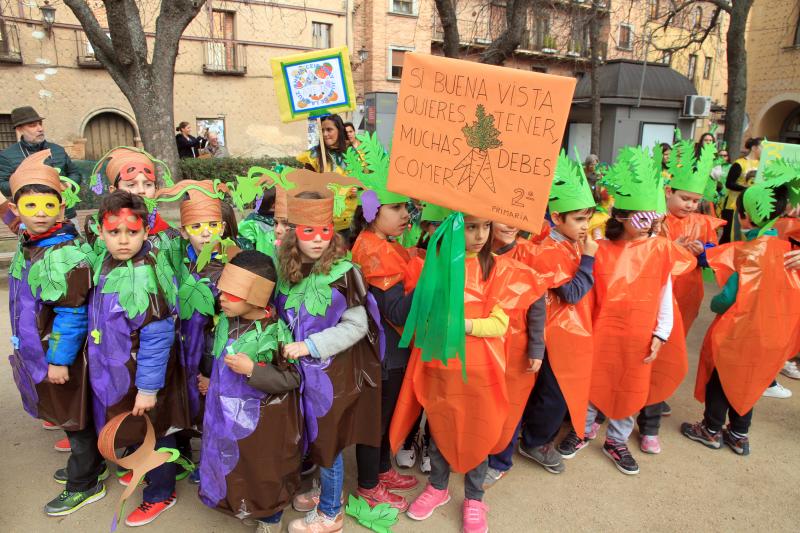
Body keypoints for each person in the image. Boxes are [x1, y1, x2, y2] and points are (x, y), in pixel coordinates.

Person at [390, 212, 546, 533]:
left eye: (485, 227)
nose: (480, 235)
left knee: (479, 430)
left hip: (482, 371)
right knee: (442, 428)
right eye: (471, 227)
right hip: (442, 369)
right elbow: (422, 317)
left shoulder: (496, 269)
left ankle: (475, 498)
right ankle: (438, 487)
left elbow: (500, 323)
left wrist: (463, 326)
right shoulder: (435, 268)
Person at [275, 188, 383, 533]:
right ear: (294, 233)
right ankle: (324, 491)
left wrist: (310, 345)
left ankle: (331, 512)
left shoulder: (344, 272)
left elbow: (357, 325)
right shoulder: (288, 269)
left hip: (331, 375)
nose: (319, 240)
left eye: (325, 231)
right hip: (299, 373)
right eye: (309, 231)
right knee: (314, 436)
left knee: (329, 441)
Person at [582, 145, 695, 475]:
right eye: (643, 217)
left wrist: (661, 331)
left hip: (639, 335)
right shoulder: (600, 246)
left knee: (632, 383)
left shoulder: (660, 249)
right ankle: (585, 426)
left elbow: (664, 292)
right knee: (596, 376)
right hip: (603, 331)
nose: (650, 224)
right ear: (622, 216)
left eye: (654, 218)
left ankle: (617, 439)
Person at [6, 151, 105, 516]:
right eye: (30, 205)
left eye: (49, 204)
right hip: (37, 348)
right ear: (18, 211)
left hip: (61, 354)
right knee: (62, 411)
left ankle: (85, 483)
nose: (40, 212)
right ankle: (90, 465)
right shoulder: (29, 238)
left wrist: (60, 359)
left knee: (73, 417)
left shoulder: (63, 252)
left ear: (62, 209)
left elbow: (71, 313)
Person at [488, 151, 596, 484]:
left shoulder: (563, 242)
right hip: (551, 336)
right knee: (548, 393)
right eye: (579, 219)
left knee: (544, 393)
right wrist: (590, 260)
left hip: (561, 335)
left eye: (588, 218)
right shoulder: (551, 251)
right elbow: (572, 292)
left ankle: (522, 444)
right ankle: (529, 444)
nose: (586, 226)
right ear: (559, 217)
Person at [86, 191, 190, 526]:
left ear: (146, 231)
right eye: (114, 232)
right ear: (101, 233)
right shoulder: (105, 261)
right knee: (131, 425)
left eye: (132, 232)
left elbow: (156, 339)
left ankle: (161, 492)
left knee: (154, 429)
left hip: (143, 375)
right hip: (116, 370)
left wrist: (147, 387)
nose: (123, 240)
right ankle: (145, 471)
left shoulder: (147, 273)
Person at [681, 174, 800, 456]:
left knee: (721, 381)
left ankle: (710, 430)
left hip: (738, 335)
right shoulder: (788, 251)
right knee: (749, 382)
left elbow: (726, 298)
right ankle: (739, 434)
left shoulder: (748, 252)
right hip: (771, 336)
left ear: (744, 217)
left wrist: (716, 306)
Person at [199, 251, 302, 533]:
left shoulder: (275, 332)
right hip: (225, 413)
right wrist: (210, 376)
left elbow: (293, 376)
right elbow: (215, 351)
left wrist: (252, 371)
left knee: (262, 466)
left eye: (232, 293)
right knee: (234, 461)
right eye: (222, 290)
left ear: (257, 294)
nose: (221, 298)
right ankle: (242, 501)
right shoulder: (228, 321)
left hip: (263, 421)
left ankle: (270, 516)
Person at [349, 133, 423, 511]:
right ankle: (366, 484)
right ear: (372, 211)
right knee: (375, 421)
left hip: (389, 352)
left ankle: (379, 470)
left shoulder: (383, 244)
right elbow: (396, 312)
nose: (406, 214)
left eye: (405, 206)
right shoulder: (374, 251)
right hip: (383, 354)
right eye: (396, 207)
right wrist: (429, 277)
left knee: (385, 415)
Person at [0, 106, 82, 225]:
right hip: (33, 218)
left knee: (73, 243)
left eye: (40, 124)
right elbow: (2, 185)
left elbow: (75, 173)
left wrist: (68, 184)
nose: (40, 129)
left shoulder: (57, 149)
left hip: (66, 214)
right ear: (19, 129)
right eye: (33, 125)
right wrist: (29, 184)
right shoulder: (7, 155)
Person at [297, 114, 358, 232]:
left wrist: (357, 190)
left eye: (329, 130)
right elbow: (304, 187)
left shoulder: (352, 155)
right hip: (321, 221)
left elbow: (364, 181)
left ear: (339, 131)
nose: (325, 134)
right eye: (322, 130)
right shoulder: (313, 156)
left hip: (348, 221)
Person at [720, 137, 763, 244]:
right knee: (728, 236)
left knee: (746, 237)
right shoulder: (739, 163)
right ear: (754, 148)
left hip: (752, 208)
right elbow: (729, 184)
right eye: (763, 147)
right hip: (733, 206)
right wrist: (748, 189)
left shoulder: (763, 165)